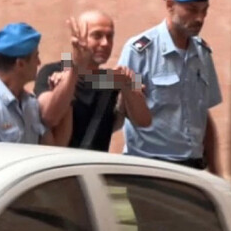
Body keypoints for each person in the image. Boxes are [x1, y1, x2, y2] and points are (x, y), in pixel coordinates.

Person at [117, 0, 222, 173]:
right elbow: (117, 93)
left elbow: (203, 116)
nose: (200, 18)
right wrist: (72, 71)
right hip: (149, 167)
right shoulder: (141, 51)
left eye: (204, 11)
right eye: (192, 10)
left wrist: (216, 172)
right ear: (170, 5)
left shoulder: (202, 54)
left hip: (193, 169)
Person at [34, 10, 151, 150]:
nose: (105, 43)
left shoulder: (116, 77)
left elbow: (144, 121)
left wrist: (128, 87)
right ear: (78, 38)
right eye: (97, 36)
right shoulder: (52, 71)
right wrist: (74, 69)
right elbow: (49, 117)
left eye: (110, 36)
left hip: (94, 163)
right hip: (60, 162)